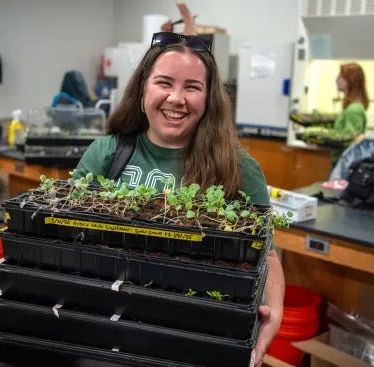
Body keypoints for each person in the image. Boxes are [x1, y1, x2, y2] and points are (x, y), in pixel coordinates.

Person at [75, 32, 284, 367]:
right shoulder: (108, 152)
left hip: (202, 334)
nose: (176, 98)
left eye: (192, 87)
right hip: (110, 330)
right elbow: (66, 236)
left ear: (209, 97)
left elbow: (267, 254)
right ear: (143, 87)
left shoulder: (238, 167)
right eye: (164, 82)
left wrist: (274, 312)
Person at [331, 62, 369, 168]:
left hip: (345, 163)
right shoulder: (351, 107)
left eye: (340, 77)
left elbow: (348, 140)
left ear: (351, 80)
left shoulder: (354, 109)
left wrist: (323, 143)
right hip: (341, 160)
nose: (336, 80)